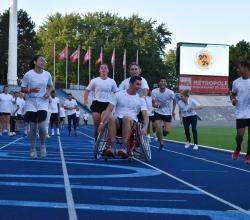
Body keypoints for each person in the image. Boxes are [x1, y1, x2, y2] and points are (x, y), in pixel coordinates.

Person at [98, 76, 149, 158]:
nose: (139, 87)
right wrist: (101, 122)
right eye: (137, 84)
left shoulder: (141, 99)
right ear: (131, 84)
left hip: (132, 123)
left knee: (126, 118)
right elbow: (109, 109)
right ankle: (112, 147)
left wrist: (145, 127)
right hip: (117, 122)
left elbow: (145, 115)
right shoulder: (118, 94)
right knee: (112, 118)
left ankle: (124, 147)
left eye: (140, 84)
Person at [21, 55, 53, 159]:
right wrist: (30, 90)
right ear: (35, 62)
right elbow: (23, 89)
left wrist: (48, 93)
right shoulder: (28, 74)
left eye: (44, 61)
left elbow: (50, 85)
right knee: (33, 127)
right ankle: (33, 149)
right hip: (31, 102)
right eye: (41, 60)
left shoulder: (47, 74)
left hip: (43, 101)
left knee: (42, 127)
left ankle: (43, 145)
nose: (43, 62)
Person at [84, 63, 118, 141]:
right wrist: (85, 101)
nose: (103, 69)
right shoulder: (94, 80)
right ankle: (96, 141)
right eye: (102, 68)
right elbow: (87, 91)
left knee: (103, 124)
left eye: (105, 68)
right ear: (99, 70)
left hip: (107, 105)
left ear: (108, 70)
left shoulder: (112, 81)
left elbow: (117, 93)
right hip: (96, 103)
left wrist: (116, 104)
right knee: (96, 126)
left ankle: (104, 143)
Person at [230, 61, 250, 164]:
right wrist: (233, 100)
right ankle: (238, 147)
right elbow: (232, 94)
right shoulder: (236, 82)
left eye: (239, 68)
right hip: (241, 113)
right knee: (240, 136)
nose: (237, 70)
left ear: (245, 67)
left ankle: (248, 155)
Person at [151, 76, 176, 150]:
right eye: (161, 81)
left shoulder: (170, 92)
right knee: (158, 128)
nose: (163, 82)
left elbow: (174, 101)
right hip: (158, 112)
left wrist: (173, 110)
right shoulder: (154, 92)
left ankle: (164, 130)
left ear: (166, 83)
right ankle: (161, 143)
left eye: (164, 81)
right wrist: (156, 105)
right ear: (159, 83)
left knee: (166, 131)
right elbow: (153, 104)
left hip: (167, 113)